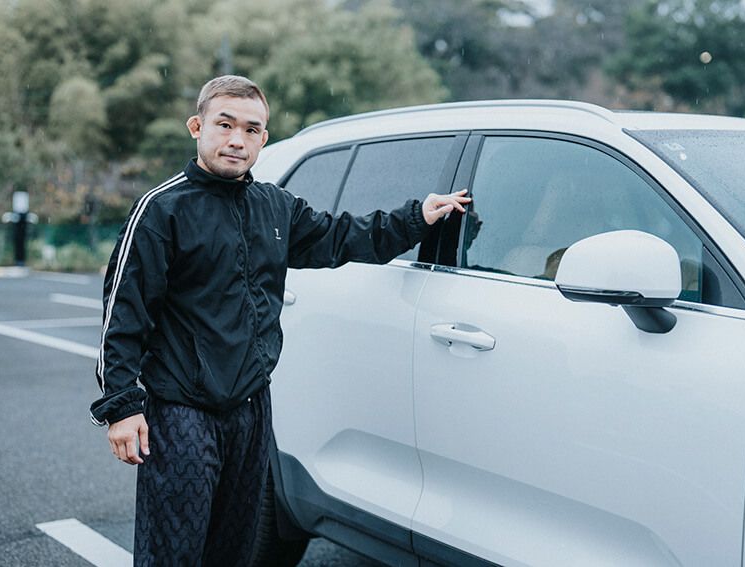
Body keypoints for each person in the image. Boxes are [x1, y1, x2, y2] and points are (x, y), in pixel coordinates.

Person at [89, 75, 470, 566]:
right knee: (174, 553)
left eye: (251, 130)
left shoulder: (274, 206)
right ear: (197, 127)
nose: (237, 140)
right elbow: (123, 315)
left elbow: (341, 237)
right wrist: (121, 407)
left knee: (234, 552)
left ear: (263, 139)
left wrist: (417, 217)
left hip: (250, 407)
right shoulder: (161, 210)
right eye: (224, 125)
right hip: (183, 411)